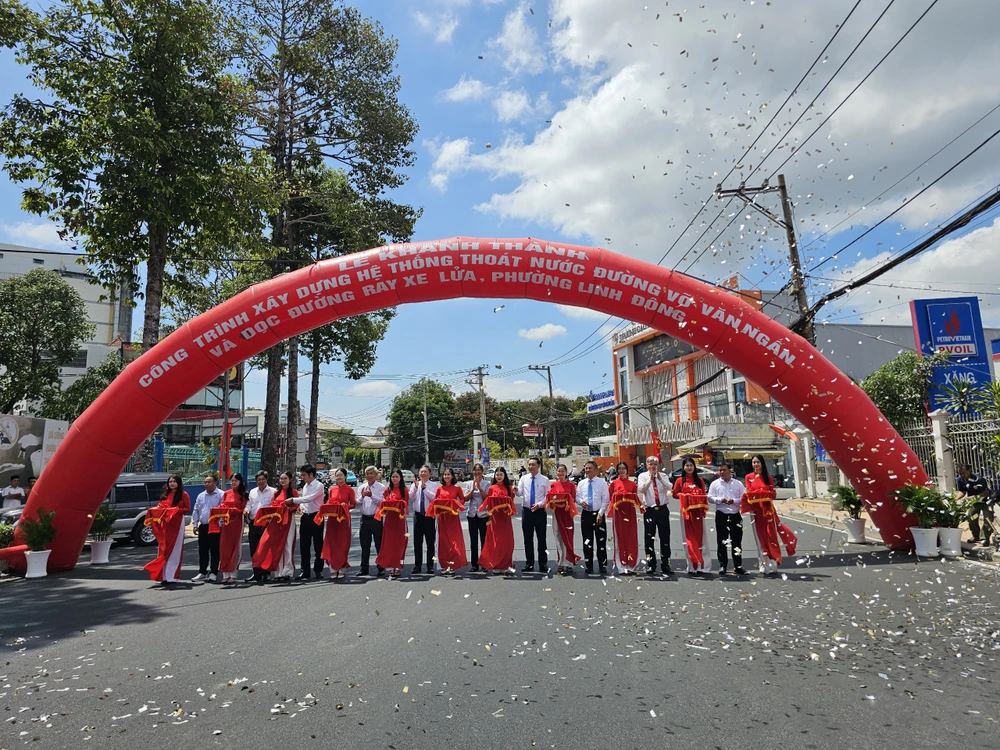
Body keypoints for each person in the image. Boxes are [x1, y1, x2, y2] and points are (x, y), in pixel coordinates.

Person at [743, 454, 797, 575]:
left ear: (762, 464)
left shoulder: (768, 478)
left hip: (768, 511)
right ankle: (763, 564)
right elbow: (749, 493)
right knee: (759, 538)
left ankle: (773, 563)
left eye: (757, 462)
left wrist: (764, 494)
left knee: (770, 536)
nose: (755, 465)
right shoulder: (748, 477)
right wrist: (760, 494)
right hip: (755, 512)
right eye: (753, 463)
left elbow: (773, 494)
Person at [251, 471, 299, 582]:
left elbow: (295, 507)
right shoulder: (276, 493)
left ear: (290, 480)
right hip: (276, 522)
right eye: (281, 479)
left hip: (288, 522)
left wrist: (286, 509)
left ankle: (287, 571)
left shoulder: (294, 492)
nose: (282, 481)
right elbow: (272, 506)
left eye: (285, 478)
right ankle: (278, 572)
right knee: (276, 546)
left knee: (287, 545)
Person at [143, 474, 190, 584]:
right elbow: (160, 508)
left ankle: (172, 576)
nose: (172, 483)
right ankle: (162, 576)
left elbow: (187, 509)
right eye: (170, 481)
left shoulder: (184, 495)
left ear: (179, 483)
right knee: (163, 548)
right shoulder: (166, 494)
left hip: (177, 523)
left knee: (175, 550)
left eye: (174, 481)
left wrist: (175, 510)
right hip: (165, 524)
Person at [671, 458, 708, 576]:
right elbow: (674, 494)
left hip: (698, 513)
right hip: (686, 513)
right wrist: (684, 495)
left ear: (694, 467)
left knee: (700, 539)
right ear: (683, 467)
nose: (689, 467)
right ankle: (691, 565)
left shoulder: (700, 480)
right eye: (686, 465)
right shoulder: (680, 481)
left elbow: (703, 494)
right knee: (688, 539)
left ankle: (701, 565)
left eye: (691, 465)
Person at [478, 466, 518, 575]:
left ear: (504, 476)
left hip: (505, 518)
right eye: (497, 475)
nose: (499, 476)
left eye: (501, 474)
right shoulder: (492, 488)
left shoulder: (509, 488)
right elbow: (489, 503)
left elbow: (511, 503)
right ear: (494, 476)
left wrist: (514, 491)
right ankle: (496, 564)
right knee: (495, 542)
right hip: (494, 519)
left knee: (507, 542)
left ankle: (506, 565)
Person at [708, 463, 746, 575]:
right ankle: (722, 565)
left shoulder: (738, 484)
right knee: (721, 542)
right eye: (720, 470)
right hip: (721, 514)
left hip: (735, 514)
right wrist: (720, 500)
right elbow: (710, 497)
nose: (722, 472)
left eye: (724, 470)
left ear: (730, 470)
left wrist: (733, 501)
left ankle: (738, 566)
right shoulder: (715, 484)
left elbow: (743, 498)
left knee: (737, 542)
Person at [638, 456, 673, 575]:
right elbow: (641, 489)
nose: (653, 466)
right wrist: (650, 479)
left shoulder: (663, 475)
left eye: (655, 464)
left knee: (665, 538)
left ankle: (666, 564)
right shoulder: (642, 476)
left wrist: (659, 479)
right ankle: (651, 564)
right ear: (647, 465)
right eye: (651, 464)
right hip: (650, 510)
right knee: (649, 538)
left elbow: (670, 487)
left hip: (663, 509)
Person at [429, 467, 468, 574]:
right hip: (442, 519)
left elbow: (463, 499)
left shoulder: (457, 488)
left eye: (448, 474)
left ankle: (453, 565)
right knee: (443, 542)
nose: (446, 476)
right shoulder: (439, 489)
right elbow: (436, 502)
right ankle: (444, 564)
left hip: (453, 518)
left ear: (452, 476)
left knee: (453, 542)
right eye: (445, 475)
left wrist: (458, 507)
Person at [320, 468, 356, 579]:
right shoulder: (332, 490)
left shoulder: (350, 490)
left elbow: (353, 504)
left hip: (344, 520)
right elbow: (329, 502)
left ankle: (341, 568)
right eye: (337, 476)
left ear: (345, 477)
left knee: (342, 544)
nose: (338, 478)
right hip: (332, 520)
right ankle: (333, 568)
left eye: (340, 475)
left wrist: (344, 506)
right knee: (331, 543)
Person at [515, 457, 550, 573]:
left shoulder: (544, 480)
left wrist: (540, 504)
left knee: (541, 539)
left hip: (539, 511)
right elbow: (520, 493)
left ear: (538, 466)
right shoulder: (524, 478)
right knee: (527, 538)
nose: (530, 467)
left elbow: (548, 496)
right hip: (527, 511)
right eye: (529, 464)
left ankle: (543, 563)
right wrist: (515, 490)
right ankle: (529, 563)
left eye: (533, 465)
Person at [213, 473, 249, 584]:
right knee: (224, 548)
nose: (233, 483)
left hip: (237, 522)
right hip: (226, 523)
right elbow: (222, 506)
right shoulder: (226, 493)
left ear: (240, 482)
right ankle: (225, 573)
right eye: (232, 480)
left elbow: (244, 509)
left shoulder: (243, 494)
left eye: (235, 481)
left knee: (235, 547)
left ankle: (233, 573)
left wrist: (235, 511)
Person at [576, 460, 609, 575]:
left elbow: (606, 499)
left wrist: (601, 513)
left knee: (601, 541)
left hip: (598, 514)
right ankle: (589, 565)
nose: (588, 470)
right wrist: (581, 502)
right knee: (587, 541)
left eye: (590, 468)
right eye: (586, 468)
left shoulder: (602, 483)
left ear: (596, 470)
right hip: (586, 514)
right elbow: (577, 497)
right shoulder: (581, 483)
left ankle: (602, 564)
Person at [547, 464, 581, 575]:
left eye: (562, 471)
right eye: (559, 471)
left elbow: (574, 499)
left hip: (567, 514)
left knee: (568, 537)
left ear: (566, 472)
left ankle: (570, 562)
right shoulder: (553, 485)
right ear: (556, 473)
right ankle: (561, 563)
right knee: (558, 537)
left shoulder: (571, 485)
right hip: (557, 514)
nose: (560, 473)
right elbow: (550, 498)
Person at [609, 461, 642, 575]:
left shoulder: (632, 484)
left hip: (630, 513)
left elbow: (635, 498)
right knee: (620, 537)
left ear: (627, 470)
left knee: (631, 537)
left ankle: (631, 564)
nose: (622, 470)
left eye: (624, 468)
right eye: (620, 468)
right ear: (617, 470)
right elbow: (610, 499)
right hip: (618, 514)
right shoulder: (613, 484)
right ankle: (621, 565)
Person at [190, 475, 224, 582]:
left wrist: (221, 524)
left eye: (209, 482)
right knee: (202, 550)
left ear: (215, 482)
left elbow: (223, 510)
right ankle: (202, 572)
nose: (207, 484)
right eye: (205, 482)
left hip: (215, 526)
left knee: (215, 550)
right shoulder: (201, 496)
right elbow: (196, 510)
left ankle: (213, 572)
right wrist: (195, 524)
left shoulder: (221, 494)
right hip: (203, 526)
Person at [376, 469, 409, 576]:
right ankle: (391, 565)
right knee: (389, 543)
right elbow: (384, 506)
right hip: (389, 521)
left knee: (400, 544)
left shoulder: (404, 490)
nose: (394, 479)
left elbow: (406, 505)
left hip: (400, 520)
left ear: (400, 478)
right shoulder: (387, 490)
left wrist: (398, 503)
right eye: (393, 477)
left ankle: (398, 565)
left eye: (396, 477)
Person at [297, 464, 326, 580]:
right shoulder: (305, 486)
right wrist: (300, 506)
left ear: (311, 475)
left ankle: (318, 570)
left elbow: (310, 498)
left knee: (318, 545)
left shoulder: (319, 486)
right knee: (304, 545)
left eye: (303, 475)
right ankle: (305, 571)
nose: (302, 477)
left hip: (317, 516)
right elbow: (305, 501)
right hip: (306, 516)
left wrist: (293, 500)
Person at [245, 471, 275, 582]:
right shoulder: (252, 492)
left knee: (266, 549)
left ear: (266, 480)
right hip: (253, 523)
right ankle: (256, 572)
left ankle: (266, 572)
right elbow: (249, 504)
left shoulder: (273, 491)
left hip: (266, 524)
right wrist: (246, 510)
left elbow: (274, 506)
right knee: (254, 549)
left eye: (263, 479)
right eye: (258, 480)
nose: (260, 481)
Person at [409, 465, 439, 574]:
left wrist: (424, 488)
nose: (423, 474)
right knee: (417, 542)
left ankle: (430, 566)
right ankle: (417, 565)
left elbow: (433, 497)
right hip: (418, 516)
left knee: (430, 542)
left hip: (429, 516)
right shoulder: (414, 484)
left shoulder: (433, 485)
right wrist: (416, 488)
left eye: (425, 472)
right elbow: (411, 497)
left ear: (429, 474)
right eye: (421, 472)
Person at [355, 465, 386, 577]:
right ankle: (364, 568)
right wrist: (363, 496)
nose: (369, 476)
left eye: (371, 473)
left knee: (379, 544)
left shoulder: (381, 487)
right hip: (364, 519)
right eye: (367, 474)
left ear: (376, 475)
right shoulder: (362, 487)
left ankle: (381, 567)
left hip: (376, 518)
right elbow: (357, 502)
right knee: (364, 545)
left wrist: (372, 495)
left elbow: (382, 502)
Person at [463, 463, 491, 572]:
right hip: (472, 515)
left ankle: (484, 563)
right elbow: (466, 498)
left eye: (479, 470)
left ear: (482, 471)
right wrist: (473, 488)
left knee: (484, 540)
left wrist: (479, 488)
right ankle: (474, 564)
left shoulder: (486, 484)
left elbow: (487, 498)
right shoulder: (469, 483)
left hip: (483, 515)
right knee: (473, 541)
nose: (477, 472)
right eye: (475, 470)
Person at [956, 464, 993, 543]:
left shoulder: (978, 479)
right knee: (972, 518)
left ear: (969, 470)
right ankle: (976, 536)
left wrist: (970, 498)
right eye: (959, 473)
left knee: (987, 519)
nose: (961, 475)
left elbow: (985, 493)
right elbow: (962, 491)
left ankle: (984, 538)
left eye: (963, 473)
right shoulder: (960, 479)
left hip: (986, 502)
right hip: (975, 503)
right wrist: (955, 499)